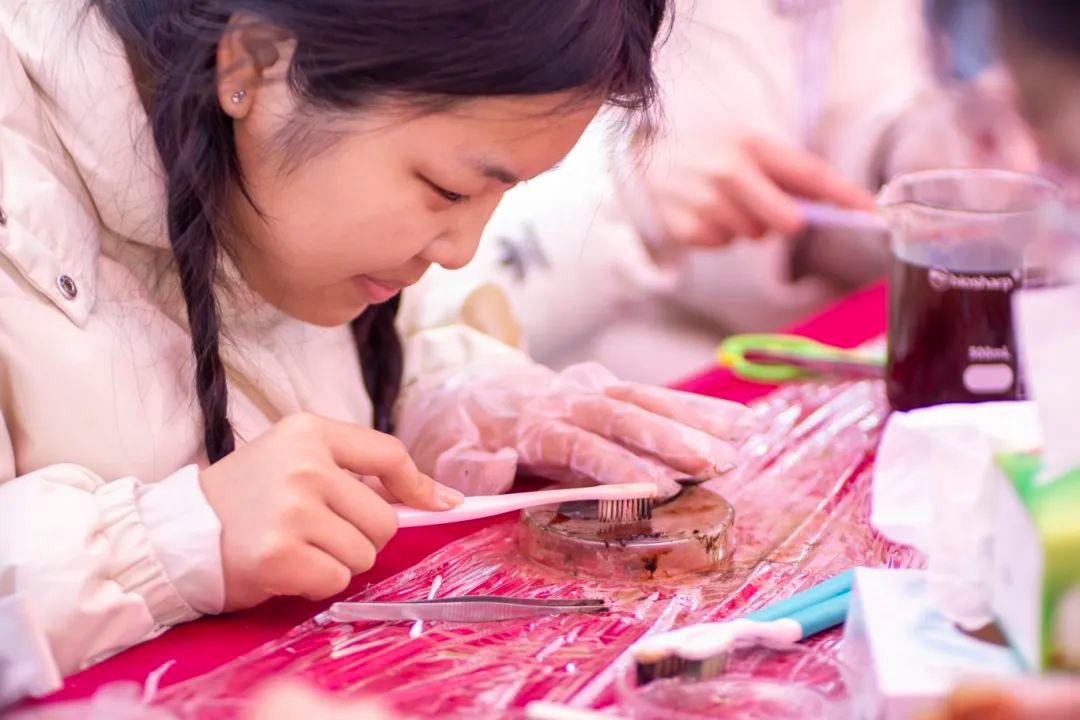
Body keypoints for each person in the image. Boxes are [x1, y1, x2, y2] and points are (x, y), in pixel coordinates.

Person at [0, 0, 753, 687]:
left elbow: (378, 339)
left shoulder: (300, 186)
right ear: (252, 65)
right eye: (450, 189)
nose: (461, 249)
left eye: (509, 191)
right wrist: (167, 543)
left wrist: (444, 396)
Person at [464, 0, 1039, 384]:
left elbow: (854, 108)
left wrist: (904, 157)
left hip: (792, 353)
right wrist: (629, 198)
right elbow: (450, 238)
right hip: (602, 365)